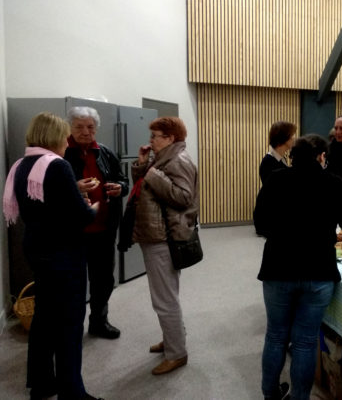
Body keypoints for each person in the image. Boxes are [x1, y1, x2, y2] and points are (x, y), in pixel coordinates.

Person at [3, 112, 101, 400]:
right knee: (70, 324)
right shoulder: (57, 165)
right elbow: (80, 216)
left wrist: (72, 196)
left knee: (44, 320)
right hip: (64, 254)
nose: (65, 141)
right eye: (63, 136)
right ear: (55, 137)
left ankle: (42, 384)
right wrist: (90, 207)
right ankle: (73, 392)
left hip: (36, 249)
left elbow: (42, 205)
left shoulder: (21, 164)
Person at [253, 134, 342, 400]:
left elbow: (260, 224)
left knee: (275, 336)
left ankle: (270, 394)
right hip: (318, 271)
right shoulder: (333, 183)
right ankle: (300, 396)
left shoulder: (276, 179)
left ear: (293, 155)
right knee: (305, 341)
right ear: (322, 156)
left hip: (278, 268)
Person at [129, 117, 198, 375]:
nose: (151, 141)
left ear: (170, 138)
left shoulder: (177, 160)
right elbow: (145, 187)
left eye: (155, 136)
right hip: (157, 234)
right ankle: (172, 339)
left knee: (164, 298)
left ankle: (177, 353)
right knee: (167, 294)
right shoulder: (165, 158)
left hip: (163, 237)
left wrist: (152, 173)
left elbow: (183, 198)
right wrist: (142, 165)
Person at [64, 106, 129, 339]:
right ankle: (72, 327)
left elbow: (123, 180)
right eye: (79, 126)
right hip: (75, 231)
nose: (85, 131)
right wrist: (75, 187)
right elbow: (51, 191)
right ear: (69, 127)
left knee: (104, 280)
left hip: (104, 228)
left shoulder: (106, 152)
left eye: (90, 127)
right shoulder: (61, 154)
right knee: (74, 282)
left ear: (96, 129)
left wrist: (120, 188)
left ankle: (99, 322)